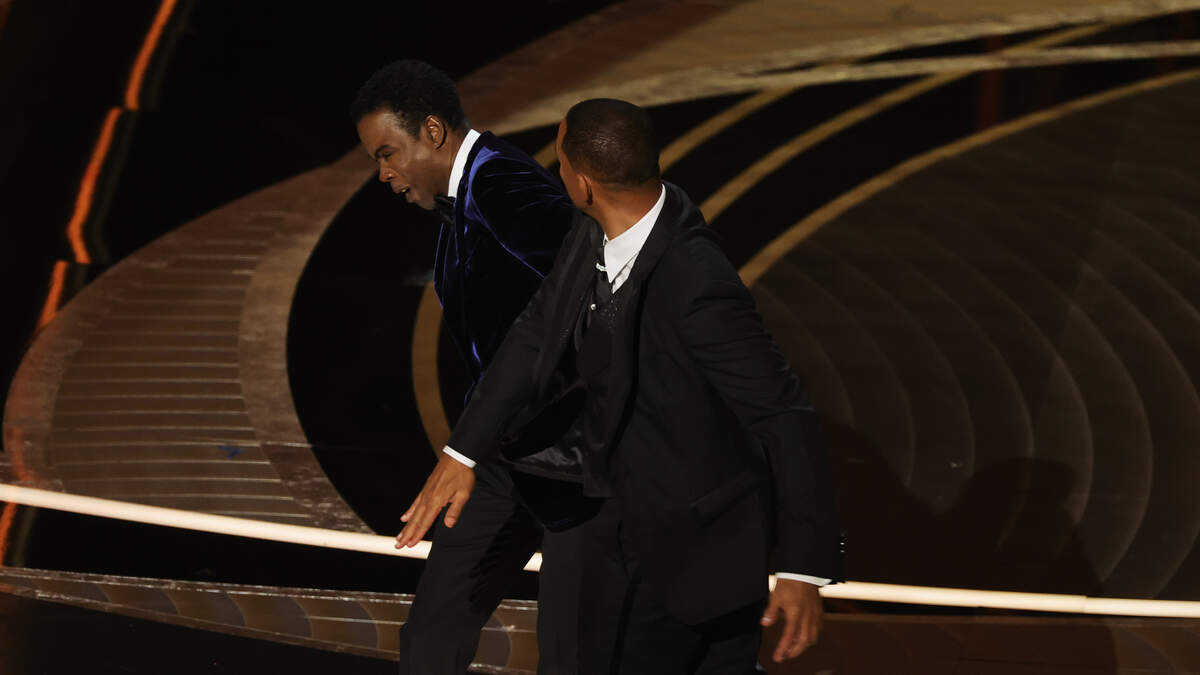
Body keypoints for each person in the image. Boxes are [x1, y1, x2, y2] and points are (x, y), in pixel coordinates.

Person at [397, 98, 843, 673]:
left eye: (560, 163)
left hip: (691, 554)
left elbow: (784, 414)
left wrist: (803, 568)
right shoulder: (594, 230)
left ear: (583, 184)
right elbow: (535, 332)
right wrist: (463, 451)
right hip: (609, 527)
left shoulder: (697, 283)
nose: (556, 174)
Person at [351, 59, 582, 674]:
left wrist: (464, 450)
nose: (383, 173)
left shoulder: (501, 181)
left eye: (387, 153)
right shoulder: (465, 200)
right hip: (506, 456)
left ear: (432, 131)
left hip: (576, 460)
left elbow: (587, 286)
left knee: (579, 651)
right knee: (434, 629)